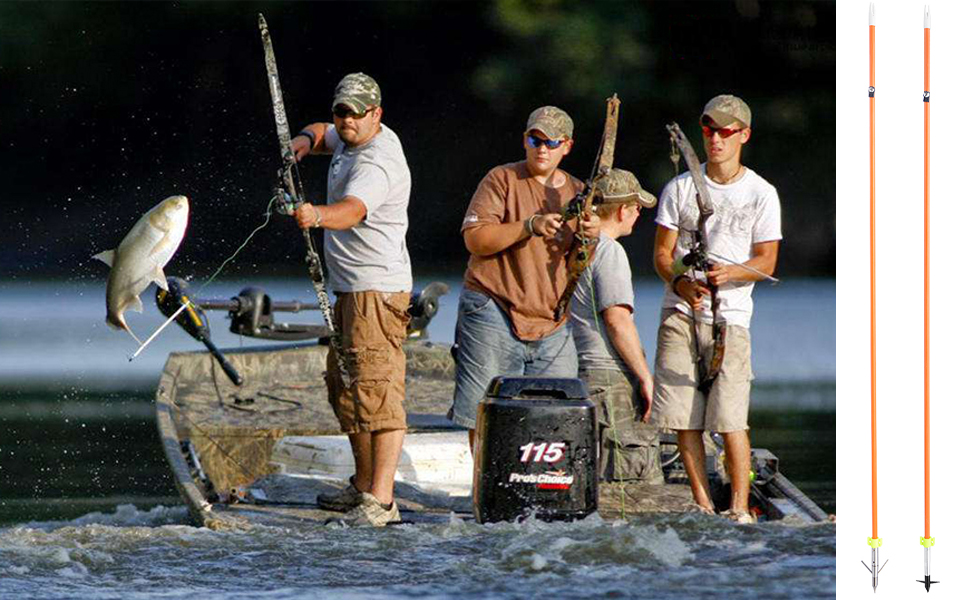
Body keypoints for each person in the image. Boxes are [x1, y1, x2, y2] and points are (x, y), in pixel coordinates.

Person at [651, 95, 781, 523]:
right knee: (684, 418)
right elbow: (662, 255)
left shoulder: (762, 193)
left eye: (726, 131)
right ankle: (704, 506)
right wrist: (680, 281)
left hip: (732, 319)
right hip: (680, 313)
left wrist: (732, 275)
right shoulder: (679, 188)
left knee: (730, 419)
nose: (716, 139)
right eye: (709, 130)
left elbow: (767, 262)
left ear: (744, 134)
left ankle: (740, 508)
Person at [290, 72, 412, 527]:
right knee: (346, 387)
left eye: (356, 114)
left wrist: (316, 215)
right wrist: (303, 141)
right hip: (348, 289)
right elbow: (322, 132)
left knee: (378, 390)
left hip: (375, 292)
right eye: (341, 112)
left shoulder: (376, 163)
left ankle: (381, 502)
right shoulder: (346, 136)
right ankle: (362, 485)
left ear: (376, 115)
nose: (346, 122)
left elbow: (352, 212)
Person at [449, 106, 600, 448]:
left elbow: (579, 265)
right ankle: (486, 493)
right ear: (525, 140)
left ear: (567, 146)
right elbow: (475, 239)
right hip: (492, 308)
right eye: (535, 139)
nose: (542, 148)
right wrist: (528, 226)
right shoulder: (501, 179)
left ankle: (537, 491)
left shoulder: (578, 192)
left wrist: (591, 236)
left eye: (551, 141)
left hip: (552, 321)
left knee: (556, 415)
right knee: (485, 412)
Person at [569, 169, 663, 483]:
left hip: (577, 373)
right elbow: (617, 321)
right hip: (607, 378)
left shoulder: (573, 247)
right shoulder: (610, 252)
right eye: (637, 208)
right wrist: (645, 378)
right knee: (628, 477)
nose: (639, 215)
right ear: (623, 210)